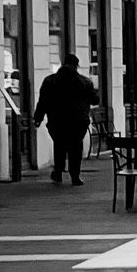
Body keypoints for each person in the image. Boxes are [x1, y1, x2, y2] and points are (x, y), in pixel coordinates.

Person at [34, 52, 99, 188]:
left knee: (59, 145)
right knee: (76, 146)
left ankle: (58, 172)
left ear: (63, 64)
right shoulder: (85, 82)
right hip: (78, 121)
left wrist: (38, 118)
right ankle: (75, 176)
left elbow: (43, 101)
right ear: (76, 65)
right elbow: (95, 100)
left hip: (57, 121)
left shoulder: (50, 81)